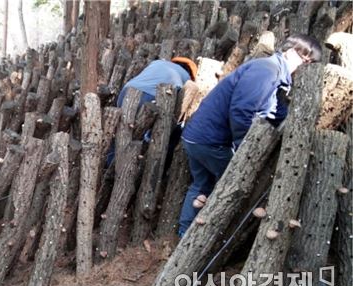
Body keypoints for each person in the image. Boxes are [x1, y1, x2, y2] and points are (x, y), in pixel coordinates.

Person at [176, 34, 322, 237]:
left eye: (310, 63)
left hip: (198, 137)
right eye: (304, 59)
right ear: (289, 52)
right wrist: (245, 149)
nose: (305, 66)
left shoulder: (276, 75)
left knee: (202, 185)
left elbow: (276, 111)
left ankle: (183, 235)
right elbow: (242, 110)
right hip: (211, 141)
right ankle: (204, 238)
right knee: (235, 187)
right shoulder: (267, 70)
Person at [106, 57, 198, 164]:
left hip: (128, 90)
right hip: (151, 96)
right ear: (190, 72)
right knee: (143, 135)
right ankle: (132, 164)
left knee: (121, 129)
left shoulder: (158, 62)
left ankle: (110, 163)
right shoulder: (186, 77)